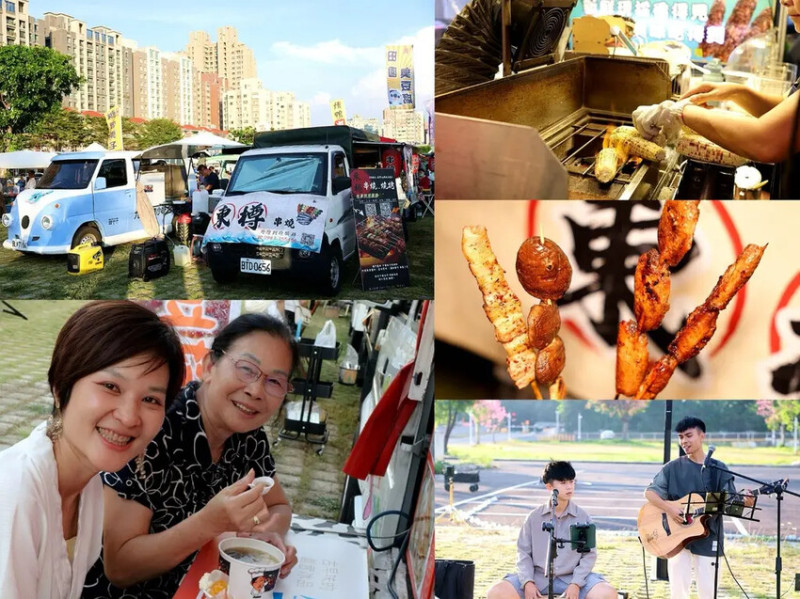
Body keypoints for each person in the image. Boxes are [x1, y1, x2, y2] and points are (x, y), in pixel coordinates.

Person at [83, 313, 300, 599]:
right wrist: (208, 523)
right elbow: (120, 567)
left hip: (200, 583)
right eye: (247, 369)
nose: (256, 390)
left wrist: (264, 535)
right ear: (210, 366)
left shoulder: (249, 437)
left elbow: (280, 507)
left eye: (275, 382)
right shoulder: (156, 430)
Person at [0, 301, 185, 599]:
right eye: (111, 386)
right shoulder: (15, 492)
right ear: (61, 387)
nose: (129, 417)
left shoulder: (88, 488)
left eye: (151, 400)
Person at [644, 416, 754, 599]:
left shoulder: (719, 469)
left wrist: (744, 503)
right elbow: (650, 493)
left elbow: (730, 506)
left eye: (688, 435)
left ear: (702, 436)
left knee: (708, 592)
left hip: (708, 536)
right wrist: (670, 509)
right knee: (678, 593)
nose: (684, 441)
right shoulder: (672, 468)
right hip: (676, 538)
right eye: (680, 437)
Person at [486, 461, 617, 599]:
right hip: (537, 577)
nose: (569, 487)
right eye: (562, 482)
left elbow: (589, 555)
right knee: (496, 592)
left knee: (607, 594)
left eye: (571, 482)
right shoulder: (534, 517)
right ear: (549, 486)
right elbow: (523, 553)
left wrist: (576, 584)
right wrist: (527, 582)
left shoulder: (583, 517)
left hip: (572, 578)